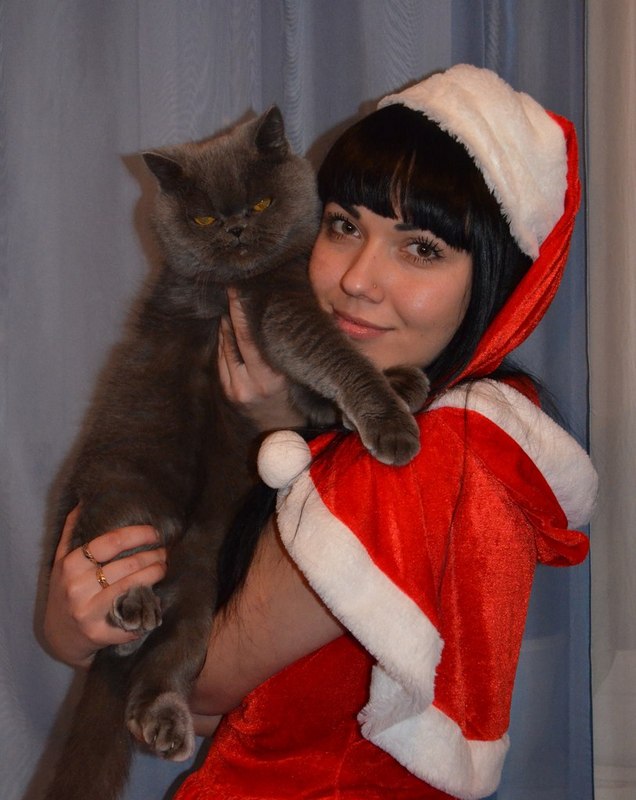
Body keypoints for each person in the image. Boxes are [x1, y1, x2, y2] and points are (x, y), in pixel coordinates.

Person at [43, 65, 597, 799]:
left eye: (422, 248)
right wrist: (75, 625)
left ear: (495, 279)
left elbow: (206, 685)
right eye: (344, 226)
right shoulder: (366, 425)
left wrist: (77, 640)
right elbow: (237, 712)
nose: (358, 279)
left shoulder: (433, 455)